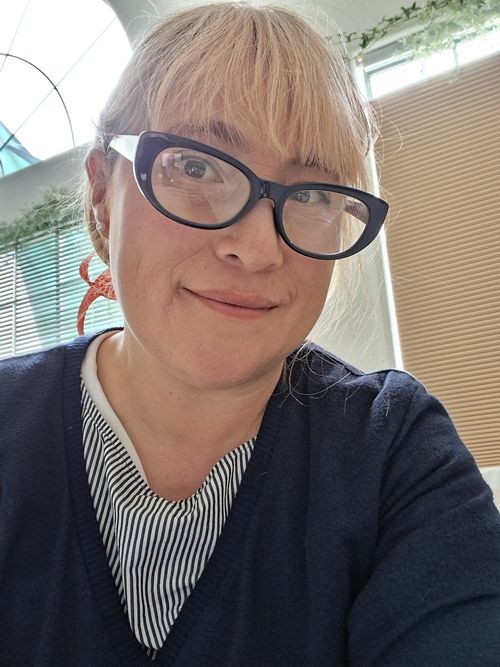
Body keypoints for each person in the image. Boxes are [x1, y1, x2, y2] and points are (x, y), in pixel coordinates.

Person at [0, 2, 499, 665]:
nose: (259, 249)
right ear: (101, 191)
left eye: (312, 193)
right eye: (197, 167)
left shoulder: (391, 449)